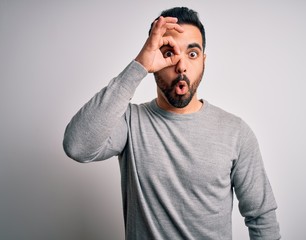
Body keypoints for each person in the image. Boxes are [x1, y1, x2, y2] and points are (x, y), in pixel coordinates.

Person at [63, 6, 281, 240]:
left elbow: (261, 218)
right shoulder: (130, 123)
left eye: (193, 54)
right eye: (169, 53)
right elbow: (77, 146)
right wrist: (138, 65)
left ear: (204, 61)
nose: (182, 66)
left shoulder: (236, 132)